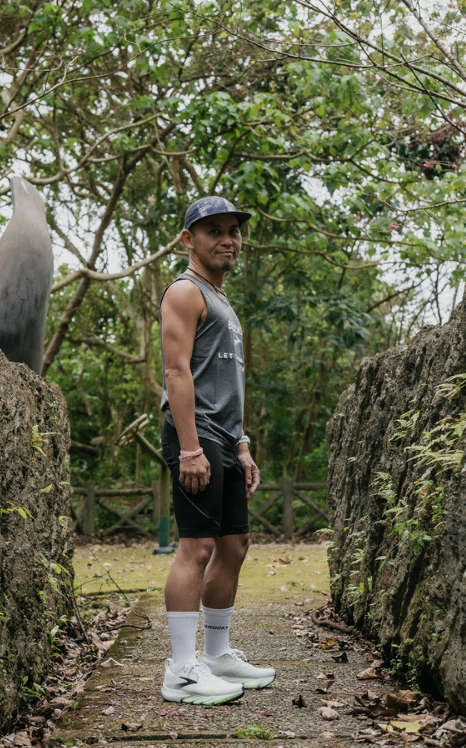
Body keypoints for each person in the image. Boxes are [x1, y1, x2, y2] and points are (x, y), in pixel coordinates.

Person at [157, 196, 276, 705]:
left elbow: (226, 383)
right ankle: (182, 671)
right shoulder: (185, 292)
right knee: (197, 547)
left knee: (234, 545)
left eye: (234, 230)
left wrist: (241, 443)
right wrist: (190, 449)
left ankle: (216, 654)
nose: (228, 239)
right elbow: (176, 371)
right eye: (214, 231)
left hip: (224, 440)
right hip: (196, 436)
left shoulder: (220, 299)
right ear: (189, 239)